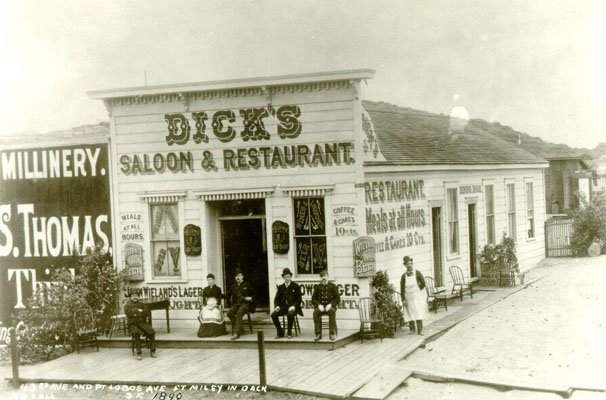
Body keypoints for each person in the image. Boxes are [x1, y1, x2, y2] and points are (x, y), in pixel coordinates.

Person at [271, 268, 303, 339]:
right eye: (285, 277)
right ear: (283, 278)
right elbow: (276, 299)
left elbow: (299, 299)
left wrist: (294, 306)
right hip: (283, 307)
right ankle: (280, 332)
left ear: (290, 277)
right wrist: (277, 306)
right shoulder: (281, 287)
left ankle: (289, 332)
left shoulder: (295, 286)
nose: (287, 278)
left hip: (293, 307)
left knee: (290, 313)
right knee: (273, 315)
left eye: (288, 276)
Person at [124, 293, 157, 360]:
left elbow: (146, 312)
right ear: (130, 297)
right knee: (136, 333)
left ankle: (153, 351)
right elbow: (128, 313)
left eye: (136, 296)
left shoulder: (142, 304)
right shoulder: (127, 305)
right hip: (133, 324)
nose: (135, 297)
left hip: (143, 323)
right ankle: (139, 353)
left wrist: (136, 315)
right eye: (133, 296)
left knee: (152, 332)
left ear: (138, 297)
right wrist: (138, 310)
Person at [399, 256, 426, 335]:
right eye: (407, 264)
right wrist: (403, 299)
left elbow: (423, 283)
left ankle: (420, 330)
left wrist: (418, 289)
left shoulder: (417, 273)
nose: (409, 265)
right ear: (405, 265)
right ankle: (412, 329)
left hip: (416, 296)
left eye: (410, 263)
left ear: (412, 264)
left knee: (418, 312)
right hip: (408, 297)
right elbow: (402, 288)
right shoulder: (403, 276)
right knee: (409, 313)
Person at [312, 269, 340, 341]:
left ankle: (332, 333)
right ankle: (318, 333)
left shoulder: (333, 286)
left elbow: (337, 298)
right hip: (321, 306)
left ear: (328, 276)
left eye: (325, 276)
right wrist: (318, 305)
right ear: (320, 278)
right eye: (321, 276)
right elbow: (313, 299)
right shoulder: (317, 287)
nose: (323, 278)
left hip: (330, 306)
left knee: (332, 311)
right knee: (315, 313)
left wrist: (331, 304)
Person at [227, 269, 255, 340]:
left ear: (242, 276)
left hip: (246, 304)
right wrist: (217, 294)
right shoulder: (233, 286)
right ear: (235, 278)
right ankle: (240, 328)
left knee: (240, 312)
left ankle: (237, 333)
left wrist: (250, 298)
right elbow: (227, 295)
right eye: (236, 276)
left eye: (239, 275)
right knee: (229, 313)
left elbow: (255, 295)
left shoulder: (247, 284)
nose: (238, 277)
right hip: (237, 304)